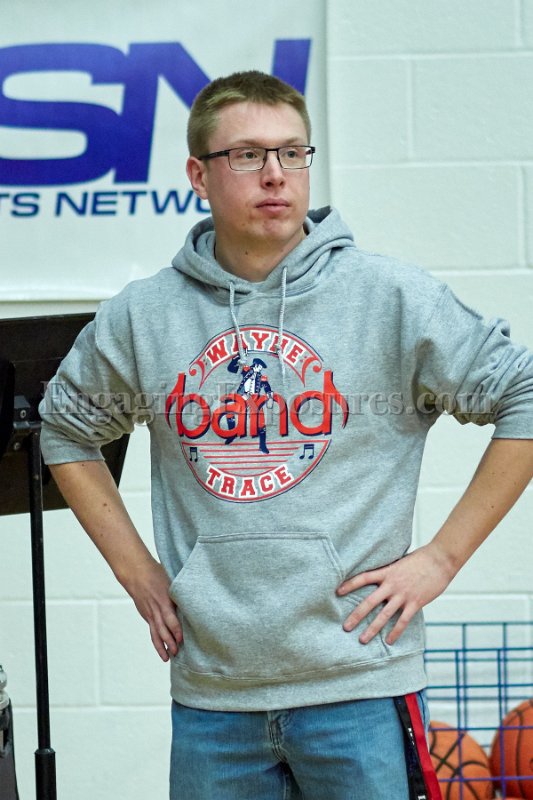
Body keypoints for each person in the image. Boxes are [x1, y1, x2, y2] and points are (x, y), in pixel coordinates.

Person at [39, 70, 533, 799]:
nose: (274, 174)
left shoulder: (389, 296)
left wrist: (442, 558)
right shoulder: (146, 315)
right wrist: (136, 571)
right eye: (246, 155)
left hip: (359, 684)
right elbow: (64, 429)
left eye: (292, 153)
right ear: (198, 176)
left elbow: (523, 395)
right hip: (214, 696)